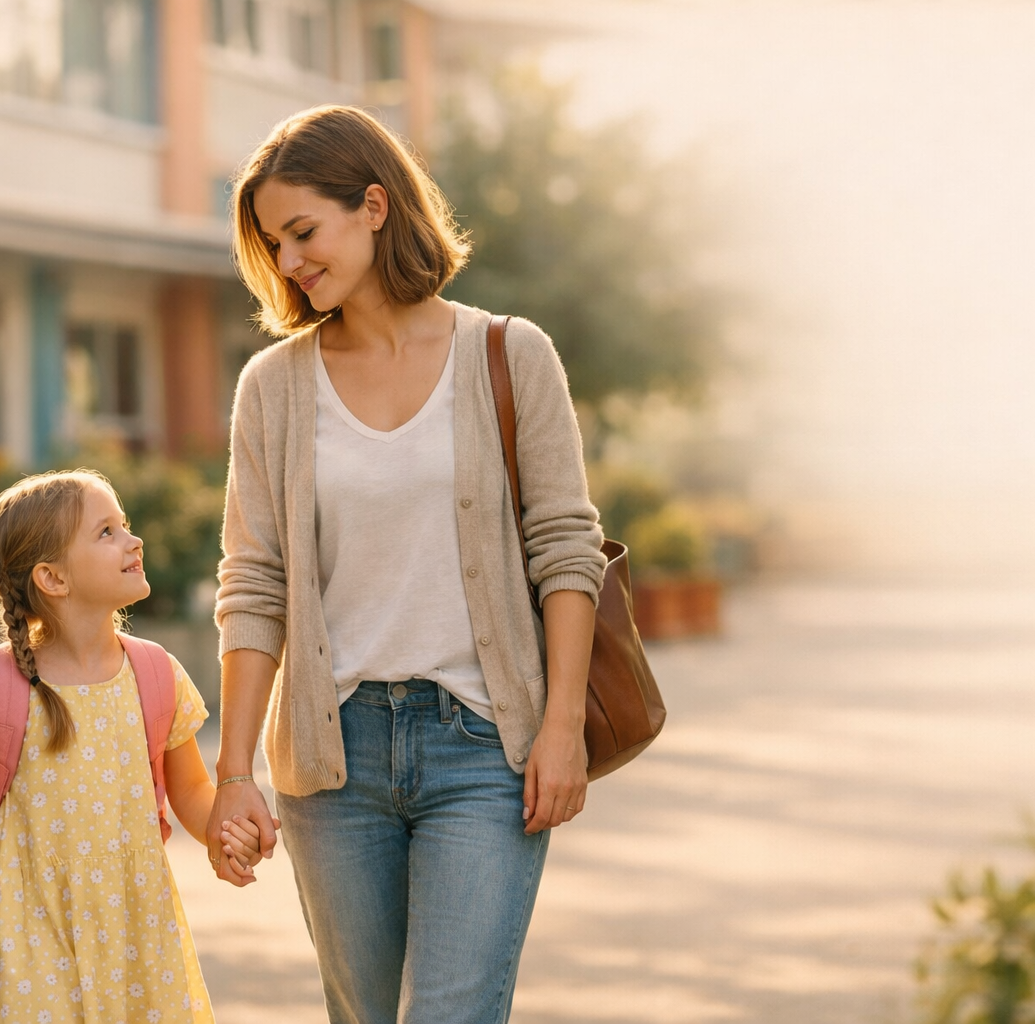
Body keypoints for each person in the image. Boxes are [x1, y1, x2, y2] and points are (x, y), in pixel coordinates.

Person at [207, 104, 607, 1024]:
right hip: (333, 761)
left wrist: (561, 726)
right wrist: (233, 774)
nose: (289, 261)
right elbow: (253, 583)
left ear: (375, 206)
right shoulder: (272, 388)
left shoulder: (510, 354)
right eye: (274, 244)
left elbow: (565, 550)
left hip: (483, 747)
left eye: (303, 231)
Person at [0, 470, 266, 1022]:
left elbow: (192, 792)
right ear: (53, 578)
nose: (134, 540)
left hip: (136, 933)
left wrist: (226, 835)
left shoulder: (156, 674)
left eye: (124, 525)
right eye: (107, 532)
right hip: (24, 936)